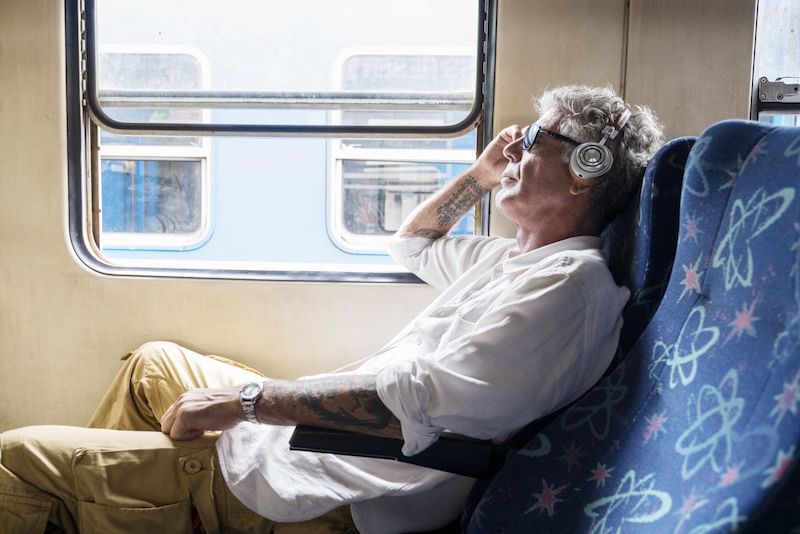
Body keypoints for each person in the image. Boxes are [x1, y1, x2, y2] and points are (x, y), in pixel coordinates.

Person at [0, 85, 663, 534]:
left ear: (588, 166)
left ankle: (143, 494)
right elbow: (413, 242)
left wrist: (249, 403)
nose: (514, 152)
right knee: (154, 365)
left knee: (16, 457)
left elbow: (405, 406)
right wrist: (480, 176)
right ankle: (142, 497)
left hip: (338, 491)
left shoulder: (568, 292)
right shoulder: (515, 260)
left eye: (534, 141)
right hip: (323, 446)